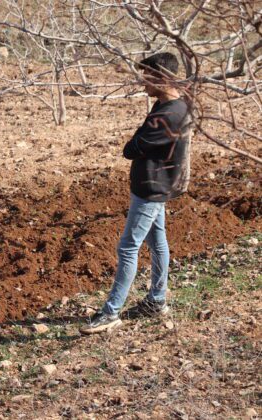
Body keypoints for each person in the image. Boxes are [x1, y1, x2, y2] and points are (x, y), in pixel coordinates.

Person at [80, 52, 191, 335]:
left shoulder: (169, 115)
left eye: (146, 77)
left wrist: (138, 141)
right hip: (154, 186)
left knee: (128, 247)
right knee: (158, 241)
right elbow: (139, 144)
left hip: (151, 189)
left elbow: (131, 149)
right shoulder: (172, 105)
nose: (142, 83)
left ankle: (111, 312)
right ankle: (156, 300)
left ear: (161, 77)